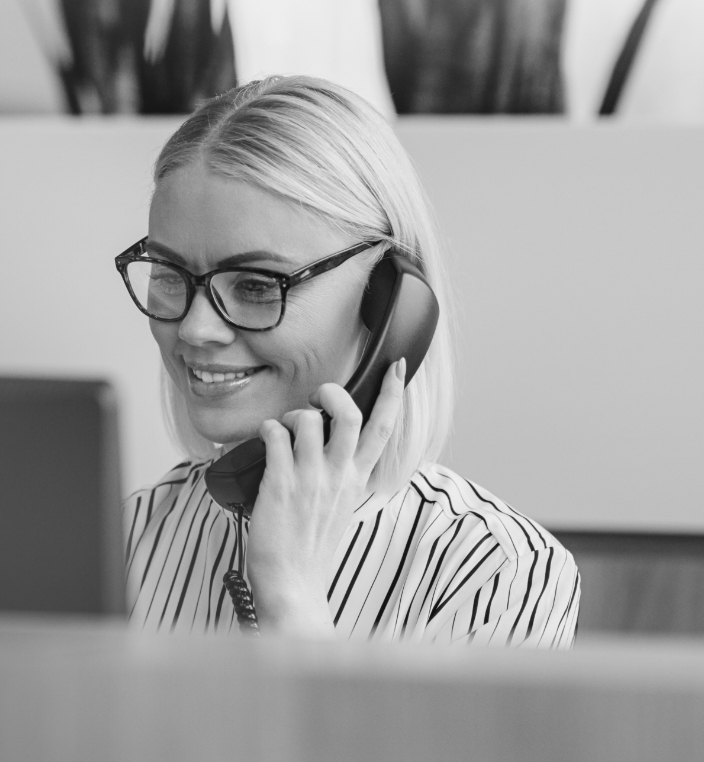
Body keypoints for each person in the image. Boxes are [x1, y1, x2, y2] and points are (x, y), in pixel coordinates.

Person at [118, 76, 579, 646]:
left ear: (391, 305)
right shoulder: (126, 538)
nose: (194, 328)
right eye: (169, 276)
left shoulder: (497, 575)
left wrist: (292, 598)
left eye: (258, 286)